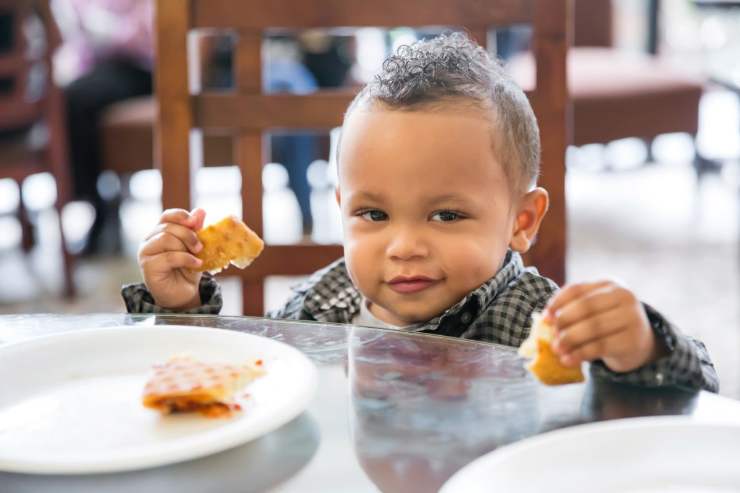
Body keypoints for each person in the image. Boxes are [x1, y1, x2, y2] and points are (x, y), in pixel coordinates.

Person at [123, 33, 718, 393]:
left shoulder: (532, 317)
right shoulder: (322, 303)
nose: (403, 245)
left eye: (447, 216)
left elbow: (686, 395)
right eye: (374, 215)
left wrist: (640, 347)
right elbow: (242, 380)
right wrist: (182, 308)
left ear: (523, 221)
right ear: (341, 210)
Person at [55, 0, 154, 254]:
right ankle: (97, 201)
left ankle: (96, 202)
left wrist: (110, 32)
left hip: (138, 68)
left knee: (76, 100)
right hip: (92, 71)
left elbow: (148, 36)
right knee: (66, 99)